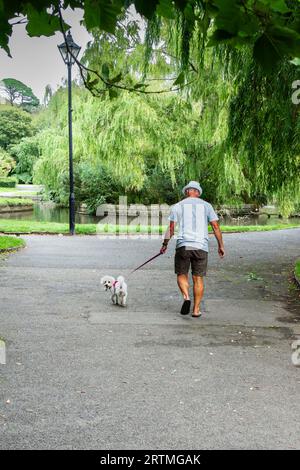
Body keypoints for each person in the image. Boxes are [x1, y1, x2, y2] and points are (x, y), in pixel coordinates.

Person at [160, 181, 225, 317]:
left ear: (187, 192)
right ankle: (196, 310)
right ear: (198, 192)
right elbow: (215, 226)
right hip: (201, 246)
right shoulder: (207, 206)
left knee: (182, 274)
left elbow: (171, 228)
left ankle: (186, 297)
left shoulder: (178, 206)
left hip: (184, 245)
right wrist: (221, 245)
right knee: (198, 278)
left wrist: (165, 244)